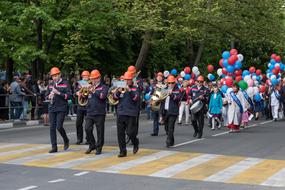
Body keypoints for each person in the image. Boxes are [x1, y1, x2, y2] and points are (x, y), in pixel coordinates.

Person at [113, 71, 140, 157]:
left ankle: (135, 142)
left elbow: (136, 98)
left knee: (130, 132)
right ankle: (122, 151)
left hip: (131, 113)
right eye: (125, 80)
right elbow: (114, 98)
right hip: (121, 112)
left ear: (131, 80)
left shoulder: (135, 88)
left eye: (128, 80)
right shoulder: (120, 88)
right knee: (120, 133)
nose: (127, 81)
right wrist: (118, 92)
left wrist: (130, 91)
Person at [46, 67, 71, 153]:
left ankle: (66, 139)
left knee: (59, 127)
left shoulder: (65, 83)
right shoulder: (50, 84)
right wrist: (48, 96)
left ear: (59, 75)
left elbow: (69, 96)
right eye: (53, 76)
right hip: (52, 107)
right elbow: (45, 96)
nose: (54, 78)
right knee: (52, 128)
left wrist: (59, 93)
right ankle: (54, 147)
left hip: (61, 107)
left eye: (56, 76)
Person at [84, 70, 109, 155]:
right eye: (92, 79)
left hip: (99, 112)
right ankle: (92, 145)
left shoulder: (104, 87)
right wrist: (82, 94)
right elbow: (85, 97)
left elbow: (102, 97)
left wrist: (94, 91)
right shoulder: (89, 87)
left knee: (100, 131)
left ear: (99, 78)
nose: (93, 80)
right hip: (90, 111)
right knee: (87, 128)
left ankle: (99, 147)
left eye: (95, 79)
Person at [162, 75, 182, 147]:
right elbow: (161, 100)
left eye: (172, 83)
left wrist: (171, 95)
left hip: (173, 111)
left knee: (171, 127)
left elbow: (178, 98)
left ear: (174, 83)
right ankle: (172, 140)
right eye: (169, 83)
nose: (170, 84)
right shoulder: (165, 89)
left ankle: (168, 141)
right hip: (165, 111)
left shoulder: (177, 90)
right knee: (166, 128)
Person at [75, 70, 90, 145]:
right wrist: (77, 93)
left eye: (86, 76)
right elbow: (75, 91)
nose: (85, 77)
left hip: (88, 105)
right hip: (80, 105)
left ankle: (88, 138)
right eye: (84, 76)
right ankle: (79, 139)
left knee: (88, 123)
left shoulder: (90, 83)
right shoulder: (79, 83)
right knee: (78, 123)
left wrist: (85, 94)